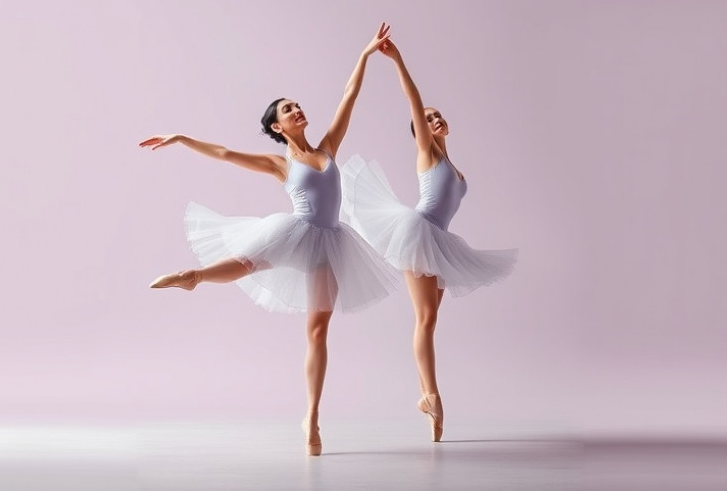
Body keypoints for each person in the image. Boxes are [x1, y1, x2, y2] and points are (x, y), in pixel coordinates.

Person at [139, 23, 397, 456]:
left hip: (329, 243)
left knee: (317, 333)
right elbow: (225, 154)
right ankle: (194, 276)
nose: (297, 110)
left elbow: (349, 95)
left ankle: (312, 418)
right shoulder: (280, 163)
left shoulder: (328, 147)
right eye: (288, 110)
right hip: (293, 233)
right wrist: (182, 138)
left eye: (298, 105)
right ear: (278, 128)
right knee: (245, 263)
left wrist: (366, 55)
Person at [340, 39, 518, 442]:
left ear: (448, 126)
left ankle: (427, 399)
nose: (434, 120)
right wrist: (398, 60)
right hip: (417, 232)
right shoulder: (428, 154)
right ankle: (432, 395)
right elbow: (413, 98)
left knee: (430, 321)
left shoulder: (454, 166)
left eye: (439, 117)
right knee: (424, 319)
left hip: (439, 239)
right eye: (427, 119)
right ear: (421, 130)